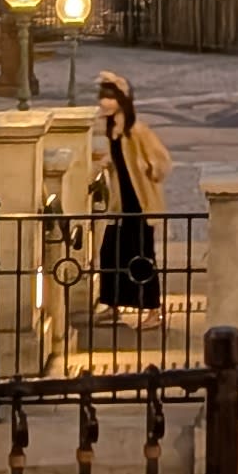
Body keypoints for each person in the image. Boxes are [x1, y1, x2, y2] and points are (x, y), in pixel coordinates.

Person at [88, 72, 171, 310]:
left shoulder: (136, 130)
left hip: (139, 204)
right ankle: (113, 303)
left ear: (122, 100)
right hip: (120, 205)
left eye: (110, 97)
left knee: (142, 257)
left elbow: (162, 161)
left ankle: (153, 309)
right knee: (111, 253)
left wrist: (147, 167)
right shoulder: (110, 130)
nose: (105, 102)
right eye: (103, 97)